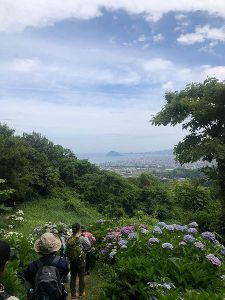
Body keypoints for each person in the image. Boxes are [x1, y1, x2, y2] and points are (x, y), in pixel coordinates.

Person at [24, 232, 69, 300]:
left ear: (40, 250)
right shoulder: (62, 262)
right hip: (58, 296)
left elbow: (28, 286)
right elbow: (67, 279)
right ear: (55, 248)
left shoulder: (32, 266)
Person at [65, 223, 91, 299]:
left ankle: (73, 294)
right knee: (81, 277)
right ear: (79, 229)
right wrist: (83, 251)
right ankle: (81, 293)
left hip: (72, 261)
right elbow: (88, 245)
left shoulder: (69, 238)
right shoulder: (82, 238)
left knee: (73, 277)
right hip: (81, 261)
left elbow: (66, 250)